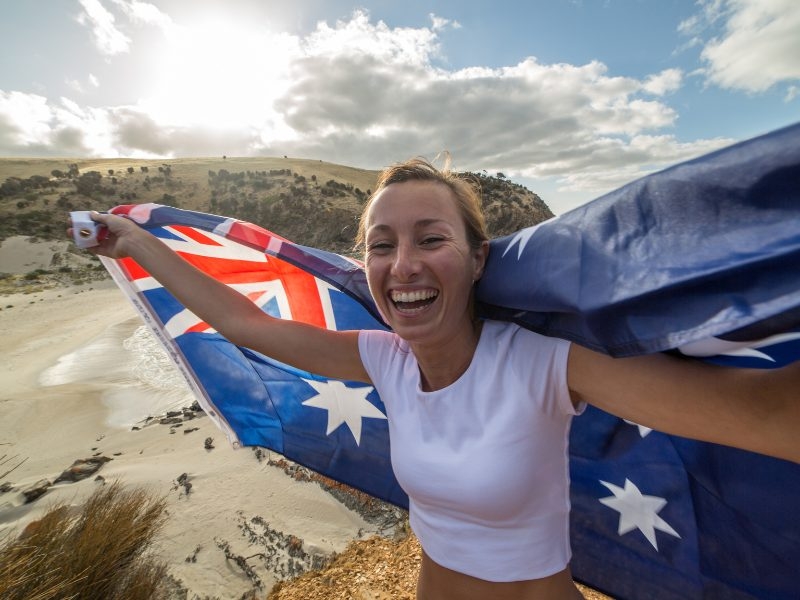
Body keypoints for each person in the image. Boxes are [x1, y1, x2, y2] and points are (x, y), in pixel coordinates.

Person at [72, 157, 799, 600]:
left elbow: (759, 416)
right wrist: (136, 244)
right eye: (381, 247)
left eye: (431, 239)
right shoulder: (384, 361)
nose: (403, 265)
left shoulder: (544, 364)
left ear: (477, 259)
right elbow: (249, 325)